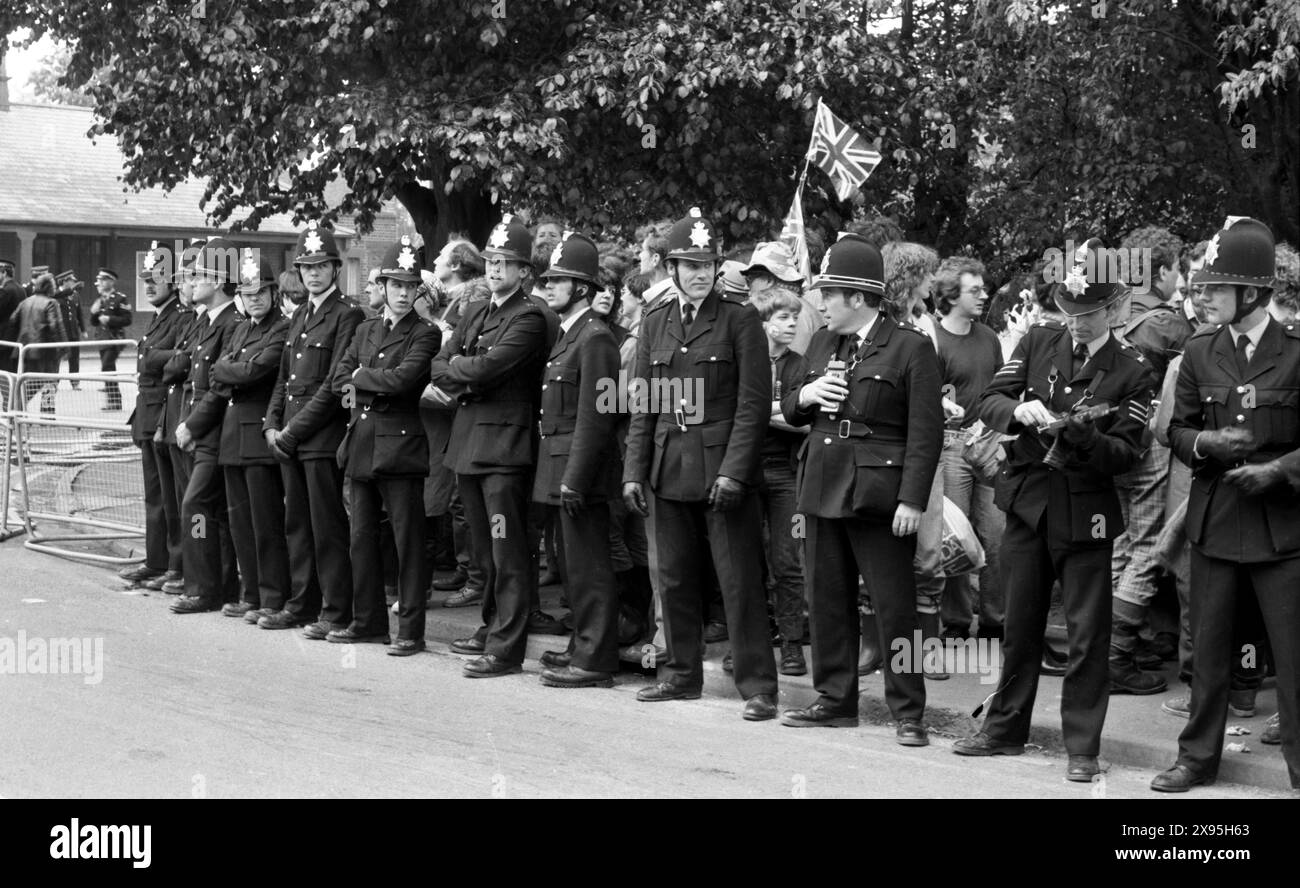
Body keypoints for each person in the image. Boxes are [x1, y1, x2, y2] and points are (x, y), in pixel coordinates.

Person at [954, 246, 1156, 782]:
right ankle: (1004, 729)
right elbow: (990, 400)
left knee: (1087, 634)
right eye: (1068, 308)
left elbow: (1128, 453)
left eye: (1086, 313)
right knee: (1019, 623)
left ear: (1113, 310)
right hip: (1027, 502)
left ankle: (1082, 747)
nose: (1075, 321)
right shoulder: (1041, 339)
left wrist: (1088, 439)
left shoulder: (1134, 369)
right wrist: (1018, 411)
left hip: (1085, 510)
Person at [1152, 216, 1300, 793]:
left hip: (1282, 529)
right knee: (1207, 654)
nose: (1203, 295)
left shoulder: (1294, 354)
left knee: (1292, 657)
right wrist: (1204, 443)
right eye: (1202, 287)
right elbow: (1177, 431)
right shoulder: (1198, 351)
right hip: (1214, 522)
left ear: (1253, 293)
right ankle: (1195, 760)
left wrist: (1281, 470)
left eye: (1216, 287)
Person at [778, 233, 942, 744]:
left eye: (828, 293)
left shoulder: (910, 346)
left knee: (895, 607)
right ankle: (835, 699)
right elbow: (789, 407)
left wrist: (913, 499)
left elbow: (925, 432)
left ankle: (909, 712)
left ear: (857, 296)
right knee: (825, 598)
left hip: (880, 494)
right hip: (823, 482)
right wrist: (806, 392)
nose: (820, 302)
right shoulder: (823, 342)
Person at [622, 207, 780, 721]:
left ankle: (758, 686)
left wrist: (735, 471)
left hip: (721, 473)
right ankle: (680, 674)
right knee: (673, 578)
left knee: (738, 582)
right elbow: (644, 404)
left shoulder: (740, 319)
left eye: (707, 264)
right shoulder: (654, 321)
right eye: (689, 264)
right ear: (670, 268)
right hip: (667, 469)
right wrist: (632, 471)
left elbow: (753, 407)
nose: (700, 273)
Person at [430, 213, 553, 677]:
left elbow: (485, 369)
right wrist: (467, 372)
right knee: (484, 549)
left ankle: (506, 647)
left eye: (507, 262)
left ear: (525, 272)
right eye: (492, 261)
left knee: (507, 547)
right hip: (469, 442)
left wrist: (465, 372)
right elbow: (439, 364)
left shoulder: (531, 316)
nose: (497, 269)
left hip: (505, 447)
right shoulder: (477, 310)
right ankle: (491, 625)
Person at [333, 236, 442, 654]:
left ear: (418, 291)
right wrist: (364, 382)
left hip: (400, 450)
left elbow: (404, 382)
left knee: (407, 542)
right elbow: (339, 382)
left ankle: (411, 631)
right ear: (382, 285)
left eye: (410, 286)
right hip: (361, 443)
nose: (402, 293)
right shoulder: (365, 329)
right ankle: (368, 623)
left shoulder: (426, 334)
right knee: (361, 538)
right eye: (395, 284)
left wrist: (362, 379)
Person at [257, 222, 364, 635]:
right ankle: (302, 605)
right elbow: (284, 378)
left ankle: (336, 611)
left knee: (326, 527)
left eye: (321, 265)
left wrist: (293, 431)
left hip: (320, 437)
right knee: (296, 525)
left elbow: (335, 386)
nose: (313, 273)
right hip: (289, 437)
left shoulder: (347, 315)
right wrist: (272, 424)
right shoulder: (300, 313)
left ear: (335, 268)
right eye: (306, 266)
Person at [531, 232, 622, 687]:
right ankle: (580, 646)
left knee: (589, 566)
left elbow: (596, 417)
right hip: (559, 465)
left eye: (558, 280)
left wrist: (576, 478)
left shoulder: (596, 339)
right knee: (572, 567)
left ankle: (595, 660)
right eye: (547, 279)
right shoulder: (572, 335)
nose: (548, 287)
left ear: (582, 289)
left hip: (579, 472)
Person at [1108, 226, 1190, 695]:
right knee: (1148, 543)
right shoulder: (1167, 323)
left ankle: (1113, 643)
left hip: (1107, 440)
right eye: (1177, 268)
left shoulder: (1110, 309)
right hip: (1147, 442)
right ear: (1160, 271)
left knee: (1120, 540)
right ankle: (1118, 653)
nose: (1180, 279)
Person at [199, 250, 292, 624]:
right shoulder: (239, 328)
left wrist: (230, 369)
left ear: (272, 293)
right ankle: (249, 594)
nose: (254, 299)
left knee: (265, 523)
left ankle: (272, 597)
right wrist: (232, 369)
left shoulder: (282, 328)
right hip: (232, 437)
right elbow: (214, 372)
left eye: (261, 292)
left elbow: (256, 371)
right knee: (239, 523)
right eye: (248, 293)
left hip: (258, 437)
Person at [169, 237, 245, 615]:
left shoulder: (233, 323)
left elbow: (219, 386)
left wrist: (192, 426)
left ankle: (202, 587)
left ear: (217, 281)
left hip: (214, 432)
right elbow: (190, 380)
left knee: (197, 506)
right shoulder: (208, 322)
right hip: (198, 431)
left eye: (198, 274)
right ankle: (218, 585)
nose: (191, 281)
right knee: (208, 512)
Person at [931, 256, 1005, 642]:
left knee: (995, 535)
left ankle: (995, 621)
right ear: (950, 294)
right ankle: (956, 621)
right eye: (974, 290)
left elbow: (1002, 390)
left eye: (982, 288)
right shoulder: (934, 340)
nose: (983, 295)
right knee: (955, 537)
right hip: (951, 448)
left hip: (990, 445)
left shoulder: (989, 337)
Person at [118, 243, 192, 590]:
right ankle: (156, 560)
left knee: (175, 498)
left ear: (175, 282)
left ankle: (177, 564)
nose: (149, 285)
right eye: (146, 279)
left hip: (167, 415)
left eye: (157, 279)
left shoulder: (183, 316)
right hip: (148, 415)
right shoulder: (160, 316)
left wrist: (153, 358)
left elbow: (179, 358)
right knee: (155, 497)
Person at [750, 287, 810, 675]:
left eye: (794, 318)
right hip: (746, 471)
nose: (791, 324)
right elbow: (732, 410)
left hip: (787, 474)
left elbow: (805, 421)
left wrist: (762, 410)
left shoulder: (801, 365)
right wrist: (780, 410)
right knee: (747, 561)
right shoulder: (747, 361)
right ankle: (749, 644)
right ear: (765, 322)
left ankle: (791, 645)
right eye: (783, 318)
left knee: (788, 561)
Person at [14, 272, 66, 411]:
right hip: (46, 350)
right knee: (49, 380)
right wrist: (63, 347)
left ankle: (17, 409)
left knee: (28, 381)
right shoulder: (51, 302)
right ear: (48, 287)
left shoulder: (26, 301)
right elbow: (56, 326)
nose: (55, 288)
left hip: (26, 349)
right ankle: (46, 412)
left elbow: (13, 321)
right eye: (53, 285)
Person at [88, 268, 132, 411]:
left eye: (103, 280)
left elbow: (127, 319)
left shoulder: (120, 298)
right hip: (102, 339)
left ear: (111, 281)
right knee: (108, 368)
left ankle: (115, 400)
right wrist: (93, 314)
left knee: (107, 366)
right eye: (99, 280)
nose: (99, 283)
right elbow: (94, 323)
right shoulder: (100, 299)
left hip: (115, 339)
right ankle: (113, 400)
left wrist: (110, 319)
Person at [52, 270, 85, 380]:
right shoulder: (55, 294)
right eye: (71, 281)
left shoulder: (75, 295)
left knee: (74, 357)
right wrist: (70, 290)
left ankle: (75, 381)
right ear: (64, 281)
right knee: (57, 358)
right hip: (61, 332)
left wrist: (83, 329)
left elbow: (79, 313)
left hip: (73, 331)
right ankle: (54, 381)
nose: (73, 283)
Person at [0, 259, 25, 373]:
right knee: (13, 370)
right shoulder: (20, 289)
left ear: (4, 273)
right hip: (16, 336)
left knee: (5, 371)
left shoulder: (6, 290)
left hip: (5, 337)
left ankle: (9, 391)